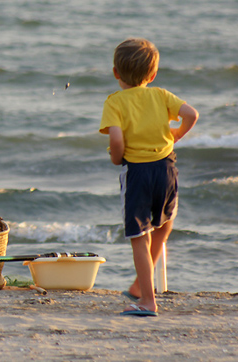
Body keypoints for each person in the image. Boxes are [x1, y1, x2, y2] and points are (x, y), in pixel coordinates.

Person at [99, 38, 198, 316]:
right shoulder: (162, 95)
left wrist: (116, 158)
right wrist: (176, 134)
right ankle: (138, 287)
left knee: (139, 236)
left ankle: (147, 301)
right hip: (167, 167)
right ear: (152, 75)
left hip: (138, 172)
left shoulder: (115, 102)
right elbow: (191, 114)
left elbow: (116, 140)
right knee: (163, 225)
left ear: (116, 73)